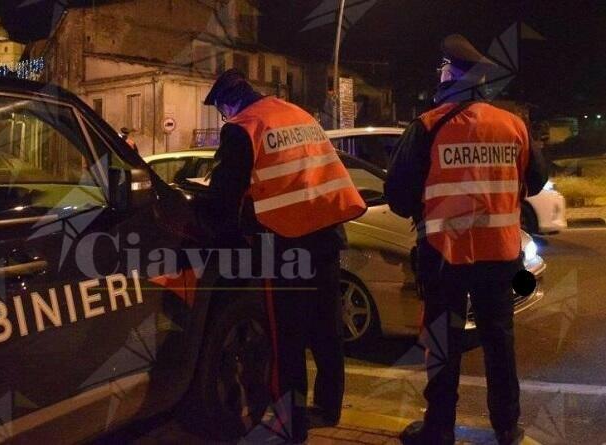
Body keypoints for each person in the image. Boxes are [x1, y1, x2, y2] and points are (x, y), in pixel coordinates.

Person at [385, 35, 548, 445]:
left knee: (443, 342)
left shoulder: (428, 126)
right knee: (498, 339)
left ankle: (439, 428)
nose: (439, 74)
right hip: (500, 256)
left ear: (454, 77)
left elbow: (398, 196)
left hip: (444, 256)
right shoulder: (514, 125)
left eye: (443, 68)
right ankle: (507, 425)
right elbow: (537, 180)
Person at [200, 69, 366, 443]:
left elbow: (225, 195)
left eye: (223, 111)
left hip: (287, 244)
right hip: (326, 237)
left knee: (286, 338)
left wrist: (227, 237)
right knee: (326, 329)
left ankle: (292, 423)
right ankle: (328, 405)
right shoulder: (297, 113)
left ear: (228, 103)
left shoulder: (244, 127)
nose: (225, 118)